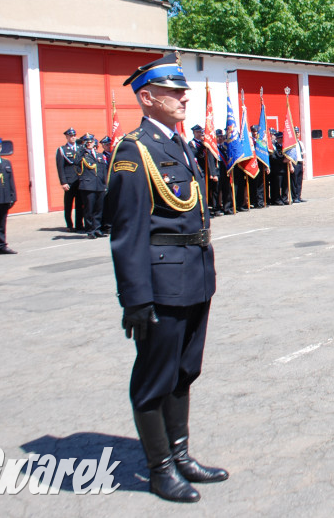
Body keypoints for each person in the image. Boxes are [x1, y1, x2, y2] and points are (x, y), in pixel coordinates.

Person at [104, 53, 228, 503]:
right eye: (174, 92)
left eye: (183, 90)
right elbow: (128, 231)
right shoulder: (134, 151)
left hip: (194, 276)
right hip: (161, 283)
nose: (183, 97)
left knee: (184, 371)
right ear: (147, 98)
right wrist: (135, 299)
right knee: (154, 378)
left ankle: (181, 455)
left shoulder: (176, 144)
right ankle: (159, 470)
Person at [75, 134, 107, 239]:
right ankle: (90, 230)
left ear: (94, 142)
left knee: (99, 209)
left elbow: (104, 171)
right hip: (88, 186)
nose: (89, 144)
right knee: (89, 209)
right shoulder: (82, 155)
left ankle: (97, 229)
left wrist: (105, 184)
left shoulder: (100, 156)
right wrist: (81, 148)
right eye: (87, 142)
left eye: (91, 142)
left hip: (99, 185)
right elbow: (75, 162)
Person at [56, 127, 84, 232]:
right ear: (67, 137)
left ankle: (79, 225)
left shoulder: (80, 148)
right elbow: (60, 167)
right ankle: (69, 225)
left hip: (79, 180)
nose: (72, 137)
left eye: (74, 136)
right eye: (70, 136)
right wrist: (63, 182)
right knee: (68, 204)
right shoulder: (62, 150)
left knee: (79, 204)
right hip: (69, 181)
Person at [190, 125, 221, 217]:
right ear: (194, 133)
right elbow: (194, 154)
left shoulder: (207, 144)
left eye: (200, 132)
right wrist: (202, 146)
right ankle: (205, 210)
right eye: (197, 132)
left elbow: (211, 157)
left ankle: (215, 208)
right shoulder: (192, 143)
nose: (199, 134)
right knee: (204, 190)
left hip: (209, 170)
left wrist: (213, 172)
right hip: (200, 170)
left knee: (214, 189)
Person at [290, 127, 305, 203]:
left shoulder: (300, 143)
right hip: (294, 163)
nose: (297, 134)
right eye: (295, 132)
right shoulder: (291, 143)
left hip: (300, 163)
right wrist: (291, 165)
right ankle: (294, 197)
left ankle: (299, 196)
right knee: (294, 181)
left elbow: (303, 154)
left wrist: (304, 164)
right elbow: (289, 155)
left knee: (299, 181)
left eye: (298, 132)